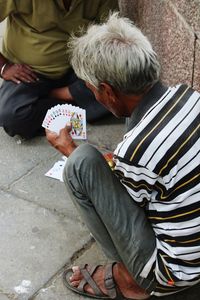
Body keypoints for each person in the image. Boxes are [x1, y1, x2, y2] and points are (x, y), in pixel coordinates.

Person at [46, 13, 200, 299]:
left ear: (107, 90)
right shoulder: (187, 95)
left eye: (93, 91)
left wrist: (70, 151)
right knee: (131, 124)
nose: (95, 97)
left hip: (173, 274)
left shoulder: (137, 150)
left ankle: (130, 279)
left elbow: (121, 212)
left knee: (81, 165)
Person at [0, 0, 118, 139]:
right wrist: (3, 67)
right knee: (13, 117)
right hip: (30, 72)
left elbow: (112, 35)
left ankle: (57, 98)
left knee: (121, 90)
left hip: (80, 68)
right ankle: (83, 105)